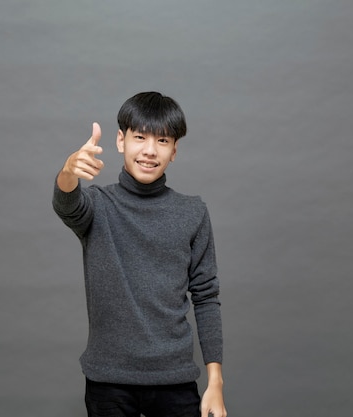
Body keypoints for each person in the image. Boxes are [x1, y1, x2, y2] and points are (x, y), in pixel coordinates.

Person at [52, 91, 227, 417]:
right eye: (140, 137)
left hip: (175, 381)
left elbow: (206, 297)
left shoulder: (192, 212)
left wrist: (215, 382)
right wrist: (68, 172)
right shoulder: (99, 207)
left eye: (162, 140)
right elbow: (67, 204)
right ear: (121, 141)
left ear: (174, 150)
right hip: (109, 382)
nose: (149, 150)